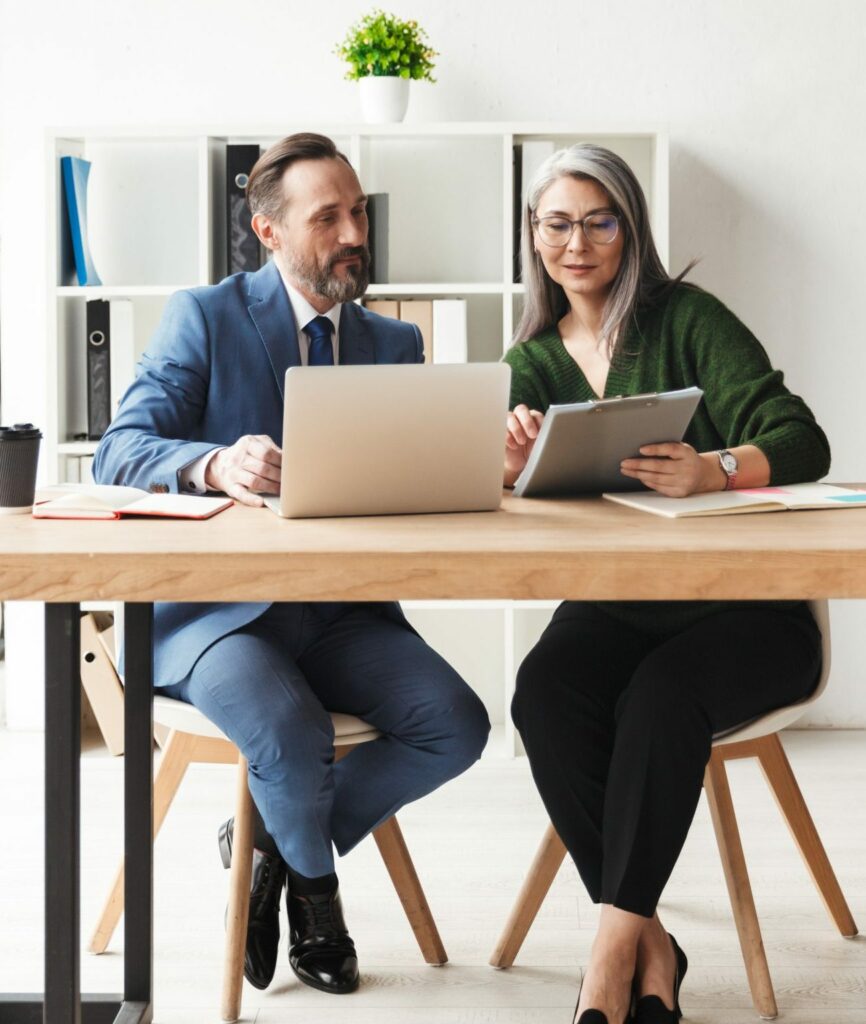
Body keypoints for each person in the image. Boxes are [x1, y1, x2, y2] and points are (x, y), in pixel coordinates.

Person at [94, 132, 490, 996]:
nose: (354, 233)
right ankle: (319, 898)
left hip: (342, 613)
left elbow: (402, 485)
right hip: (213, 615)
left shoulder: (393, 344)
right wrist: (213, 464)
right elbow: (118, 451)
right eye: (329, 218)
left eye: (359, 212)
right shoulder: (203, 314)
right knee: (291, 733)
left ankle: (272, 840)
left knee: (459, 725)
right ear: (268, 232)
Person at [503, 143, 829, 1024]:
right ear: (534, 236)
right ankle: (651, 940)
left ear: (631, 228)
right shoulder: (530, 361)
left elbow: (802, 439)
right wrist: (502, 460)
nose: (579, 243)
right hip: (617, 602)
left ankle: (611, 958)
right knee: (542, 692)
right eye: (558, 223)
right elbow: (494, 483)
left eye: (600, 220)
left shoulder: (686, 318)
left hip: (748, 610)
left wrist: (718, 468)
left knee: (659, 696)